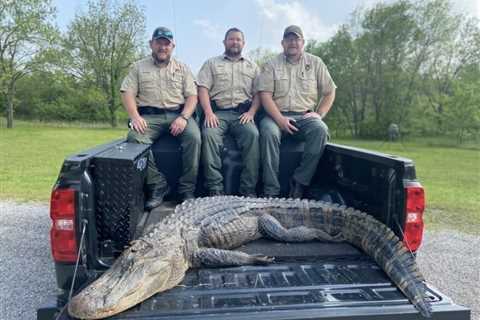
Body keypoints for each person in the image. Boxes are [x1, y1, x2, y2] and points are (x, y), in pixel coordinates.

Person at [120, 27, 201, 210]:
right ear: (151, 44)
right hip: (149, 117)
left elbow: (192, 96)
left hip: (177, 114)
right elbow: (127, 92)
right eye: (159, 43)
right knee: (134, 139)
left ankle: (187, 190)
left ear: (172, 46)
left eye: (167, 44)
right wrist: (135, 116)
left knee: (195, 138)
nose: (163, 47)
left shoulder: (183, 68)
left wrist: (184, 117)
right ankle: (158, 184)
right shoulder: (138, 67)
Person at [256, 25, 336, 199]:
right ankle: (271, 189)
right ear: (282, 43)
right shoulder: (271, 65)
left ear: (302, 42)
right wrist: (280, 120)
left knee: (320, 129)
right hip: (275, 115)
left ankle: (299, 182)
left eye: (296, 39)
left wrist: (319, 113)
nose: (292, 42)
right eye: (289, 39)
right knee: (268, 133)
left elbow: (330, 91)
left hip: (303, 116)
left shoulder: (315, 63)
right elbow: (265, 96)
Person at [197, 27, 261, 197]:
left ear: (243, 43)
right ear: (224, 42)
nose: (235, 42)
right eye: (231, 39)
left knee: (253, 135)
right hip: (218, 113)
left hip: (243, 114)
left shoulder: (253, 67)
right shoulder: (211, 63)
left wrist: (252, 113)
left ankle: (248, 188)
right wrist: (209, 113)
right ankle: (215, 187)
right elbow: (202, 89)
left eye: (238, 39)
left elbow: (259, 94)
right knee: (209, 134)